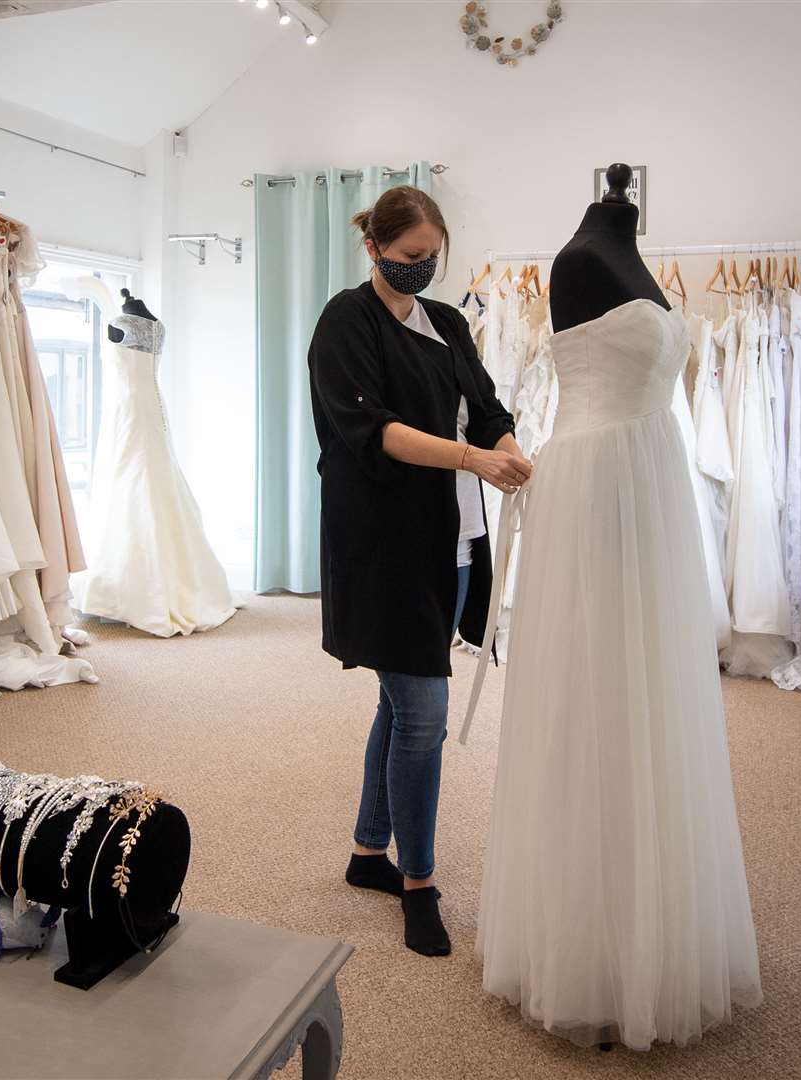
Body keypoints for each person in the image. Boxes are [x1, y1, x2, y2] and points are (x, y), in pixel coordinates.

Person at [307, 186, 531, 956]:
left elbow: (488, 406)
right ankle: (418, 884)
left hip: (456, 540)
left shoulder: (450, 324)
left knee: (402, 705)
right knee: (425, 717)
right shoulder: (347, 321)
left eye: (432, 258)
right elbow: (373, 432)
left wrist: (503, 444)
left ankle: (369, 852)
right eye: (409, 258)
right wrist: (472, 456)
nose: (422, 270)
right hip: (385, 548)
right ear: (373, 248)